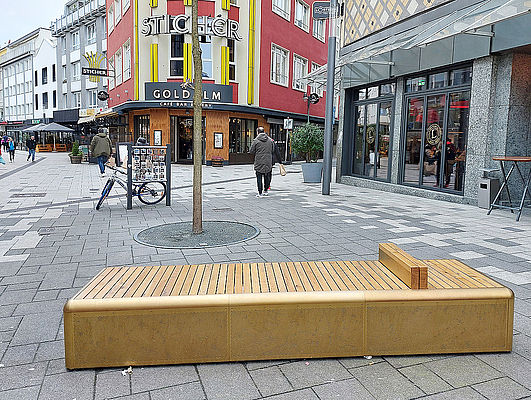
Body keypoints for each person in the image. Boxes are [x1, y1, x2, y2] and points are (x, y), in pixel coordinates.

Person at [249, 126, 273, 197]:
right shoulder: (270, 140)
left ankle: (260, 192)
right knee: (267, 176)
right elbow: (273, 149)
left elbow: (251, 151)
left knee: (259, 177)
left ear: (257, 132)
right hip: (268, 161)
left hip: (259, 161)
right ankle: (266, 190)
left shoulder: (256, 141)